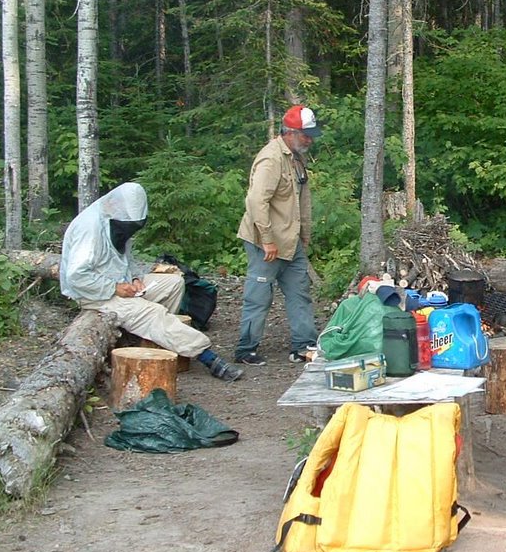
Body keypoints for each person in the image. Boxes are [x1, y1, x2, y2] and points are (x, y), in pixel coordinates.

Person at [59, 182, 243, 382]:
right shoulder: (90, 228)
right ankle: (208, 357)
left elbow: (126, 258)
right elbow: (76, 276)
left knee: (173, 283)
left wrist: (135, 279)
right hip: (93, 295)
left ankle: (154, 344)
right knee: (153, 313)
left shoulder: (117, 221)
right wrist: (114, 287)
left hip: (118, 286)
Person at [234, 104, 321, 365]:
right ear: (291, 132)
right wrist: (267, 240)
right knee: (258, 296)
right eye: (306, 134)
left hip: (291, 241)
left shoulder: (296, 158)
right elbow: (256, 201)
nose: (310, 139)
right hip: (266, 242)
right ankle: (245, 349)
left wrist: (304, 234)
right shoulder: (271, 159)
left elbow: (301, 200)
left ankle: (304, 345)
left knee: (300, 292)